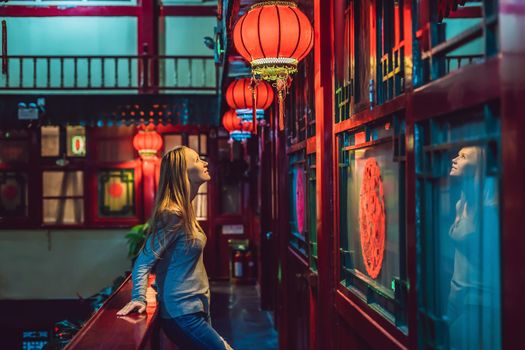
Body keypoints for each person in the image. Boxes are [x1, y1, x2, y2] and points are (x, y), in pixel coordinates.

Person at [117, 145, 233, 350]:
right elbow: (143, 261)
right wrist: (139, 298)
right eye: (197, 160)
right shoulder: (172, 214)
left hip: (195, 308)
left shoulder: (186, 209)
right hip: (182, 314)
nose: (205, 163)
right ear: (182, 172)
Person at [447, 146, 500, 349]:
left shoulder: (490, 209)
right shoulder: (461, 203)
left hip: (478, 300)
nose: (454, 159)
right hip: (455, 293)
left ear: (478, 166)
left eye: (463, 156)